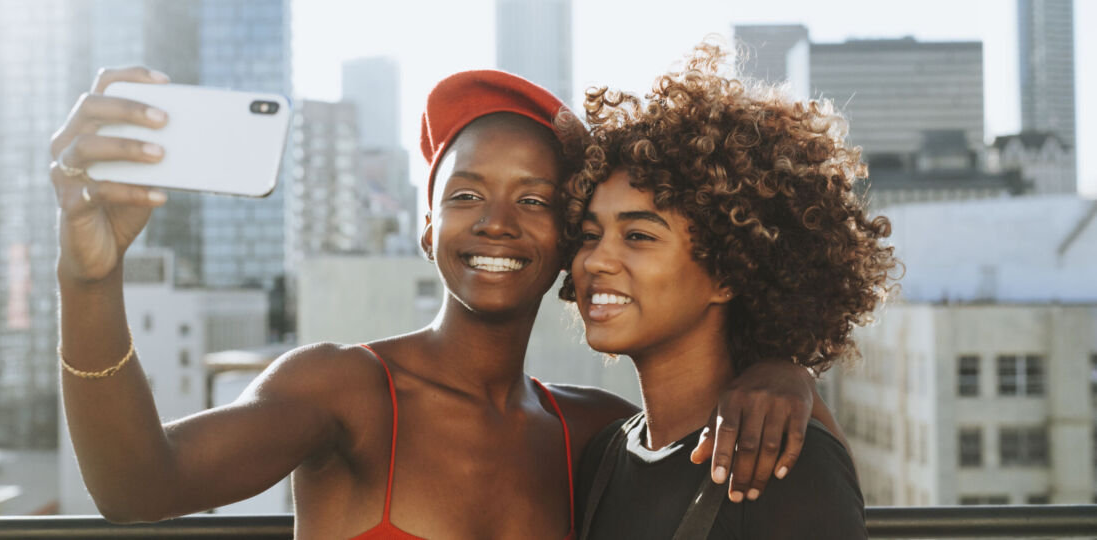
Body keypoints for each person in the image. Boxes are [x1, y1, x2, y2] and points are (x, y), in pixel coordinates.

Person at [50, 66, 827, 538]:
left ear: (566, 240)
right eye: (465, 194)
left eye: (534, 198)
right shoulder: (344, 391)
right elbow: (137, 487)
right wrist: (88, 280)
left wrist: (783, 370)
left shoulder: (594, 437)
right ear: (427, 228)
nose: (496, 221)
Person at [564, 40, 898, 539]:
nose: (595, 259)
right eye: (590, 235)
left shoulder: (784, 462)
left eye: (638, 236)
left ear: (728, 273)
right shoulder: (603, 459)